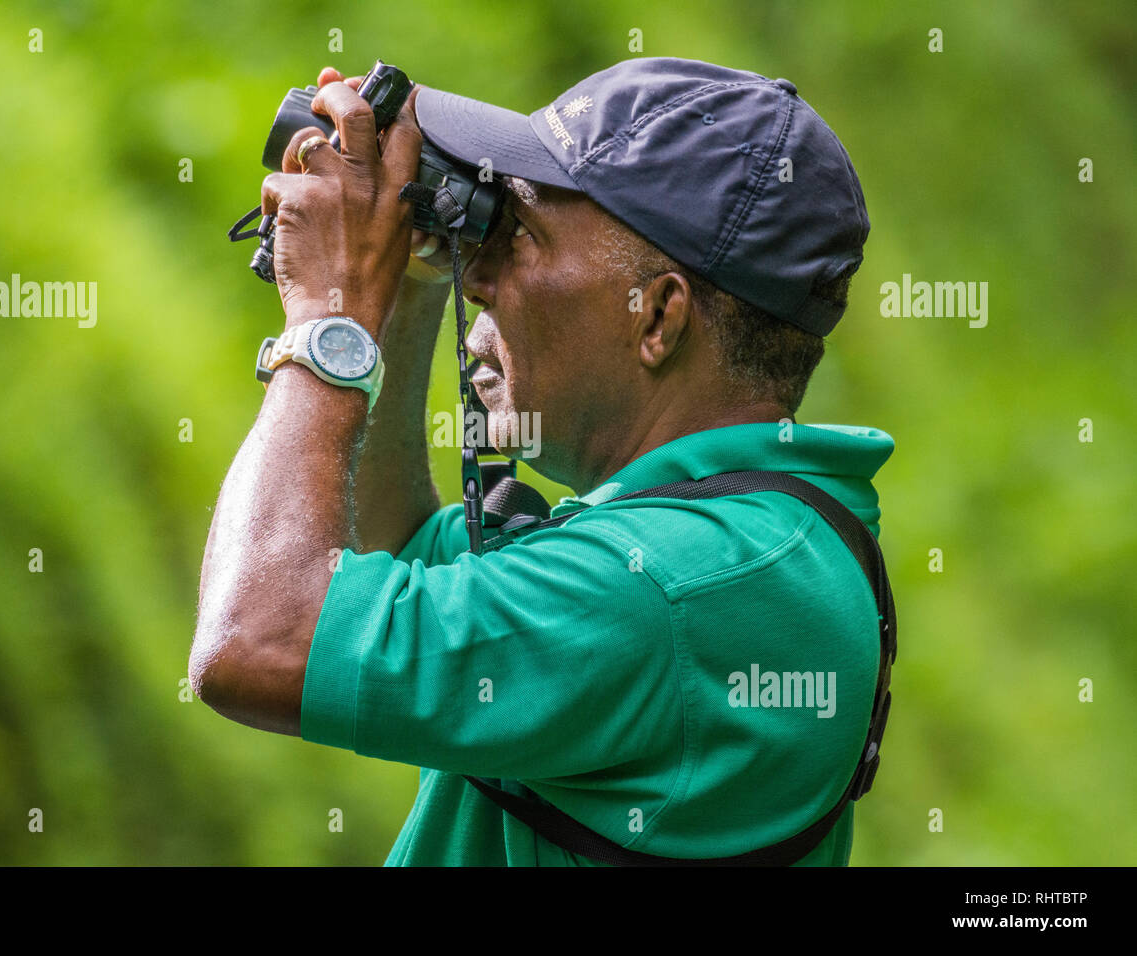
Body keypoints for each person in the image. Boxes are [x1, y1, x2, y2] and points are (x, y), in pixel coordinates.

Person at [189, 57, 894, 865]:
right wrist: (413, 276)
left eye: (519, 235)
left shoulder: (667, 587)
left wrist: (328, 320)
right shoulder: (746, 539)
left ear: (657, 316)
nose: (480, 275)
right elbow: (378, 548)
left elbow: (258, 642)